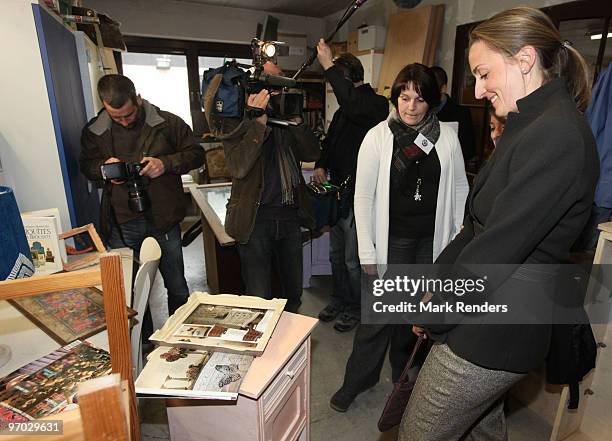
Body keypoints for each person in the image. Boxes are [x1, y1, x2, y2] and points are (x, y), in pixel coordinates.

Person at [400, 7, 598, 441]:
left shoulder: (557, 134)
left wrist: (435, 311)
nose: (479, 87)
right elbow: (475, 227)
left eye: (485, 73)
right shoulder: (527, 124)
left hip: (496, 330)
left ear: (525, 60)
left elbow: (498, 249)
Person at [329, 63, 468, 412]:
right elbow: (362, 197)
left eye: (419, 100)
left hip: (430, 243)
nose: (410, 107)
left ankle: (403, 376)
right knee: (376, 319)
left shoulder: (447, 137)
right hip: (390, 241)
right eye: (404, 98)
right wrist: (366, 251)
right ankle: (357, 380)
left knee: (414, 317)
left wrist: (457, 236)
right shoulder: (378, 137)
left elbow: (460, 186)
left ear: (431, 103)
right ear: (395, 98)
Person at [80, 74, 204, 315]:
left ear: (137, 98)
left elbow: (197, 154)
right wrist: (104, 169)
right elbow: (86, 165)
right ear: (104, 106)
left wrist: (165, 164)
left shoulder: (168, 123)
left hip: (164, 217)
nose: (124, 122)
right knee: (131, 290)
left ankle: (179, 339)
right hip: (122, 221)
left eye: (129, 114)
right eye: (117, 117)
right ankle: (142, 342)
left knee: (177, 285)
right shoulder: (94, 131)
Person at [221, 62, 320, 313]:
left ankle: (290, 349)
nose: (277, 92)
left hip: (289, 218)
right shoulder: (235, 119)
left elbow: (312, 152)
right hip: (256, 221)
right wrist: (257, 123)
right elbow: (238, 167)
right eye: (271, 85)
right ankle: (262, 348)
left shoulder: (287, 115)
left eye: (281, 85)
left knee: (293, 294)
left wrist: (298, 123)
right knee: (259, 298)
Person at [313, 39, 389, 332]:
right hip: (337, 190)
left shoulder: (375, 105)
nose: (336, 91)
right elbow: (331, 141)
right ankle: (340, 300)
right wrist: (321, 162)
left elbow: (355, 107)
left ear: (348, 78)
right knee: (336, 254)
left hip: (360, 195)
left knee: (352, 260)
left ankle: (358, 308)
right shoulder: (345, 110)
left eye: (336, 81)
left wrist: (328, 65)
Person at [430, 66, 477, 160]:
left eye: (431, 90)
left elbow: (468, 151)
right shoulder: (420, 110)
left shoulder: (461, 114)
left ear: (443, 88)